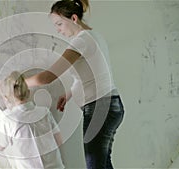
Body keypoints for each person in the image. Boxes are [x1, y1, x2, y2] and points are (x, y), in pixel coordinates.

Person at [24, 0, 125, 168]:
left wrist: (18, 82)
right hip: (110, 105)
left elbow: (47, 77)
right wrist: (69, 94)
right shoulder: (94, 36)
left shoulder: (81, 41)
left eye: (59, 24)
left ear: (74, 18)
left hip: (100, 108)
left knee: (96, 166)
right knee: (103, 163)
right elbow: (93, 73)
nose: (58, 29)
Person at [0, 71, 65, 169]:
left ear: (6, 99)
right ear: (28, 92)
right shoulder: (45, 112)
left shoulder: (8, 120)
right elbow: (59, 140)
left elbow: (0, 146)